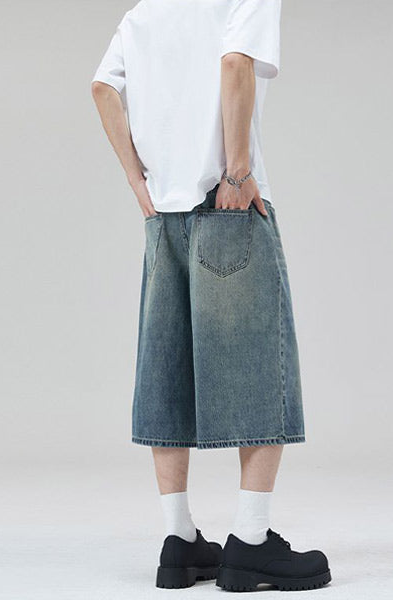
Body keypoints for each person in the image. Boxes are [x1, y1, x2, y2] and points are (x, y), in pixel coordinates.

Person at [91, 0, 331, 592]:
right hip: (226, 206)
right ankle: (250, 542)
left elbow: (102, 88)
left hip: (163, 217)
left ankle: (179, 542)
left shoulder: (143, 13)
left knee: (166, 371)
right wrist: (238, 171)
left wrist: (137, 179)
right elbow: (234, 63)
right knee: (260, 367)